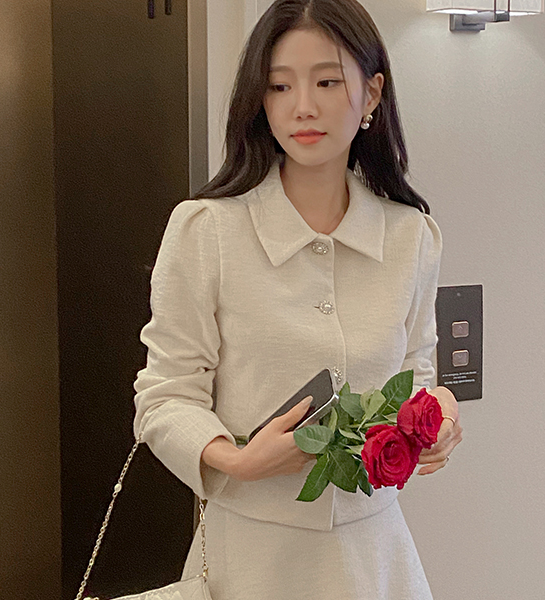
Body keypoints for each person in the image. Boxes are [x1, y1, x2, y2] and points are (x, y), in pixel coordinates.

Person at [133, 1, 463, 598]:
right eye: (279, 85)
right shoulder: (207, 231)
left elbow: (416, 373)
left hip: (375, 561)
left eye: (327, 82)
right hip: (249, 560)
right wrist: (236, 460)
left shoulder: (412, 237)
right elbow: (165, 395)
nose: (302, 106)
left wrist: (436, 416)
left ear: (371, 94)